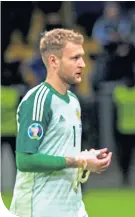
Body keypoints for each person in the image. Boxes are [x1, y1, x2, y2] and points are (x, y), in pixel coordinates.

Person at [9, 29, 112, 217]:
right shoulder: (38, 101)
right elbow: (25, 160)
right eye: (74, 58)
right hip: (39, 207)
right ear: (53, 61)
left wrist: (85, 158)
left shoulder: (73, 100)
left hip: (72, 205)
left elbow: (58, 151)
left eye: (82, 57)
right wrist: (78, 161)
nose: (82, 64)